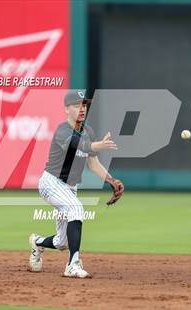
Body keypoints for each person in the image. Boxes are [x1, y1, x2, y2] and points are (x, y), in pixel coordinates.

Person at [29, 90, 124, 278]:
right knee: (76, 209)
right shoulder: (62, 131)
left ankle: (37, 243)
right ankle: (73, 265)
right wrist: (98, 145)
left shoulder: (88, 130)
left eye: (84, 104)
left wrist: (111, 180)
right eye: (76, 105)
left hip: (69, 188)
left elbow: (93, 163)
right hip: (52, 183)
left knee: (61, 242)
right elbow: (81, 146)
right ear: (66, 109)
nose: (82, 108)